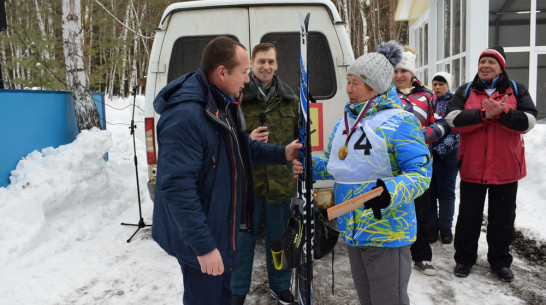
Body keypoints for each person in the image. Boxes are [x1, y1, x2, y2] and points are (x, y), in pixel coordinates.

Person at [151, 36, 302, 305]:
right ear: (222, 72)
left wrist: (282, 153)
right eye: (244, 72)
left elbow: (242, 147)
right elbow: (177, 189)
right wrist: (204, 246)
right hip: (203, 239)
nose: (247, 80)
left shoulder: (223, 103)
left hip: (221, 228)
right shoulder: (186, 116)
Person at [293, 40, 431, 305]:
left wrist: (391, 191)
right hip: (353, 228)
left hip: (387, 231)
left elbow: (421, 173)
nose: (348, 89)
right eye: (348, 81)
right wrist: (307, 164)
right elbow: (337, 167)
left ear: (375, 85)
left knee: (389, 300)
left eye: (355, 83)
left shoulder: (400, 121)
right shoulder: (346, 123)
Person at [446, 46, 537, 282]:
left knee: (503, 219)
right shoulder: (466, 90)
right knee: (468, 217)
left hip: (506, 168)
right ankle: (464, 260)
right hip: (472, 168)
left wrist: (504, 113)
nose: (485, 66)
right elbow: (452, 120)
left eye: (491, 62)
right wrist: (483, 115)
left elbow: (528, 121)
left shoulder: (517, 89)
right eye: (482, 61)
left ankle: (500, 262)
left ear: (501, 66)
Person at [230, 42, 299, 305]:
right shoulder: (238, 95)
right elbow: (224, 134)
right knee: (242, 242)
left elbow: (301, 135)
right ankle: (237, 291)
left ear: (277, 65)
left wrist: (299, 160)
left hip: (280, 184)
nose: (266, 66)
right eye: (261, 61)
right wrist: (247, 137)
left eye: (270, 61)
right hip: (247, 184)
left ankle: (280, 287)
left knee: (280, 240)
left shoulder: (289, 97)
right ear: (252, 64)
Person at [393, 46, 446, 276]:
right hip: (390, 165)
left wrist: (427, 133)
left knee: (422, 211)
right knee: (393, 209)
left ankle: (422, 256)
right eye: (395, 70)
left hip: (419, 165)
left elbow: (443, 124)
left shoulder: (427, 95)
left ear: (412, 72)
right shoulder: (383, 95)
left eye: (404, 69)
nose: (399, 75)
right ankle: (395, 256)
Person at [429, 71, 459, 244]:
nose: (438, 87)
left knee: (446, 193)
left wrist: (440, 149)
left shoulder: (455, 102)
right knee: (430, 193)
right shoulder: (429, 102)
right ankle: (432, 228)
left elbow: (457, 131)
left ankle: (446, 227)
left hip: (448, 157)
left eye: (441, 84)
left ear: (448, 85)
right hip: (428, 156)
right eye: (435, 84)